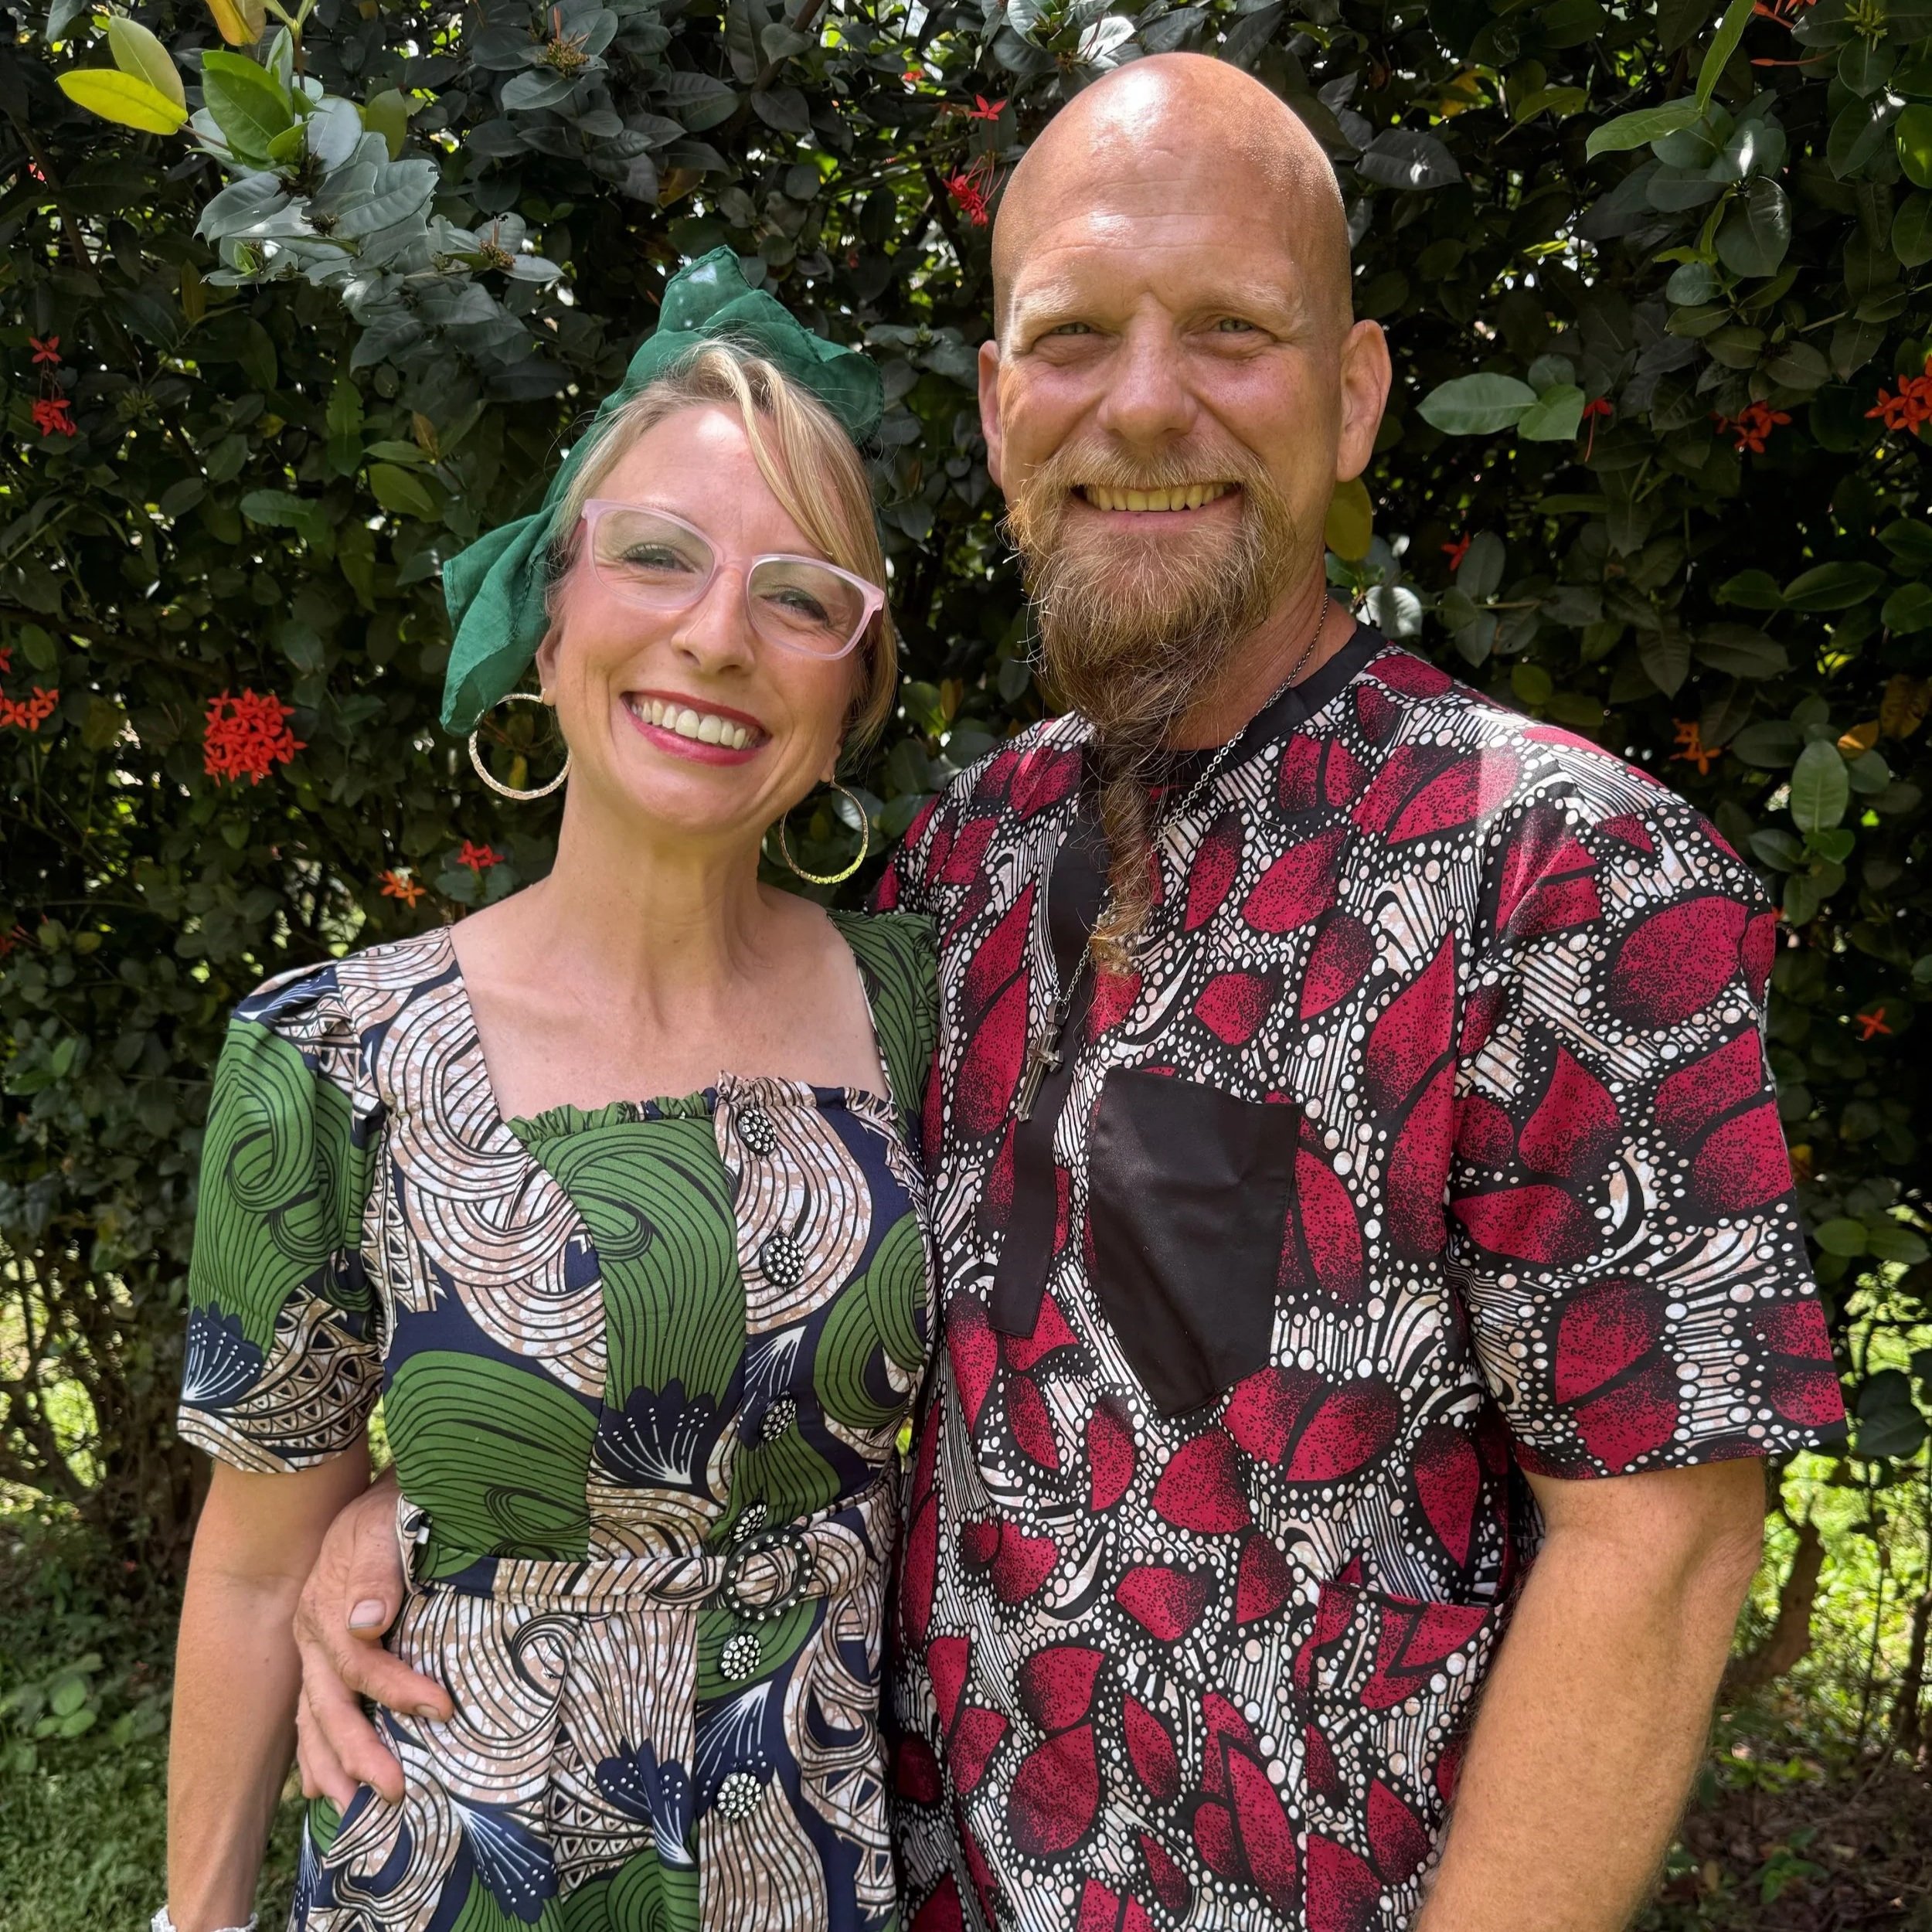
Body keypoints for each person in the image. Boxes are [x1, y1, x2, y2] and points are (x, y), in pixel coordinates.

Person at [289, 55, 1847, 1932]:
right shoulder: (964, 857)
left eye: (1230, 331)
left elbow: (1657, 1543)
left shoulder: (1558, 874)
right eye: (1073, 334)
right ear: (997, 400)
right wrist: (428, 1508)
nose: (1144, 400)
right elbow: (791, 1303)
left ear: (1355, 394)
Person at [162, 253, 937, 1932]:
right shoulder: (335, 1059)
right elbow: (251, 1567)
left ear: (852, 685)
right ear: (551, 606)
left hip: (816, 1876)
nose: (715, 634)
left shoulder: (924, 1010)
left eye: (799, 595)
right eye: (656, 555)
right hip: (454, 1880)